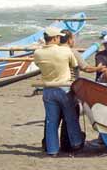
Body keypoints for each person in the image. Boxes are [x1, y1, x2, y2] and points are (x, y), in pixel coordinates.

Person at [33, 27, 84, 157]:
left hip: (48, 89)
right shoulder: (65, 51)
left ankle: (52, 150)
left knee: (51, 122)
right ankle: (76, 143)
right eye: (58, 37)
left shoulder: (38, 53)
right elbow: (74, 65)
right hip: (64, 88)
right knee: (70, 118)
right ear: (55, 38)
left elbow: (39, 65)